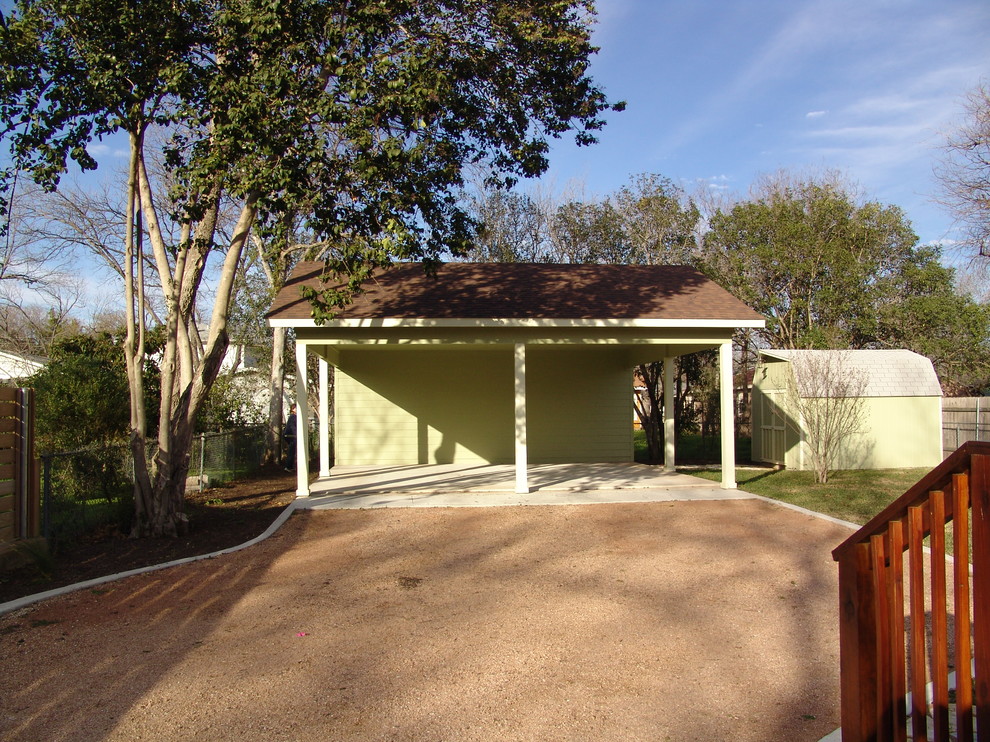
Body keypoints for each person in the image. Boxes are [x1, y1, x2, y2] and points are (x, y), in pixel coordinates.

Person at [283, 404, 297, 471]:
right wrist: (296, 434)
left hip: (291, 435)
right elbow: (292, 426)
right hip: (291, 436)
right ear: (293, 409)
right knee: (291, 451)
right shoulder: (293, 417)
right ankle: (288, 467)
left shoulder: (294, 417)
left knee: (292, 451)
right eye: (295, 408)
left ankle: (290, 466)